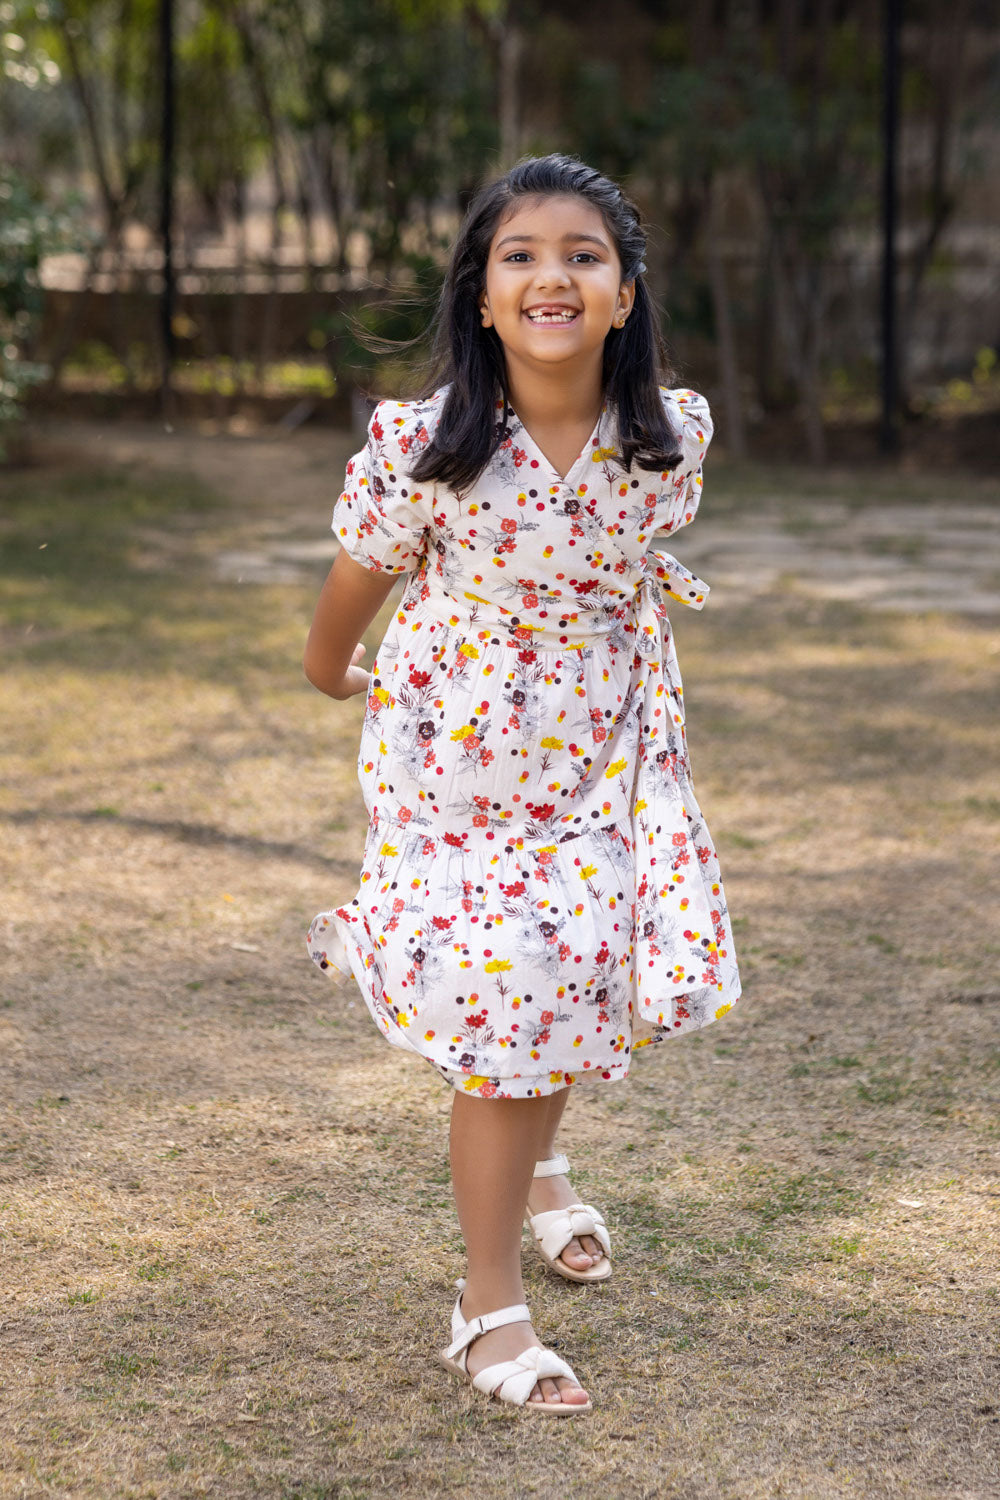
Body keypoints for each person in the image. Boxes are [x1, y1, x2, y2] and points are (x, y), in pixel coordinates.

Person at [304, 154, 741, 1416]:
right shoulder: (422, 446)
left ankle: (540, 1177)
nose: (552, 273)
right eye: (520, 255)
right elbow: (354, 586)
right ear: (482, 297)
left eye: (583, 255)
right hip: (455, 755)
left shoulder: (673, 441)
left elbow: (626, 574)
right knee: (511, 1006)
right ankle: (485, 1306)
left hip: (603, 750)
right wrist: (335, 674)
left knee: (574, 970)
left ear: (623, 294)